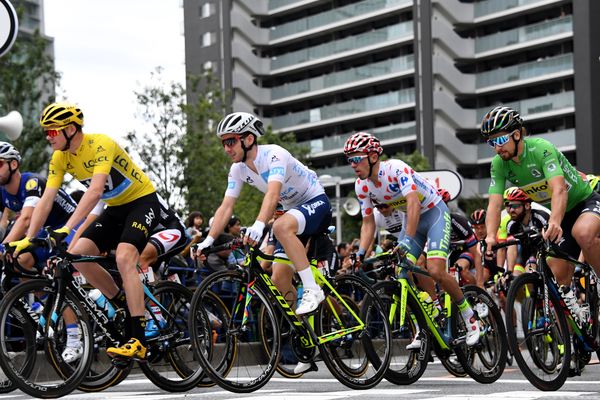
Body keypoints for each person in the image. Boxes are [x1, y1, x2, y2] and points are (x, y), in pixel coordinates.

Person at [10, 102, 161, 361]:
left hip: (141, 202)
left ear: (70, 129)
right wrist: (28, 238)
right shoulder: (60, 157)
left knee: (125, 257)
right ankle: (122, 303)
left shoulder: (101, 144)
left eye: (52, 131)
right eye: (46, 132)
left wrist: (68, 227)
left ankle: (138, 338)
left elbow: (95, 191)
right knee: (77, 254)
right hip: (115, 209)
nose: (48, 137)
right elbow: (47, 199)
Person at [344, 131, 481, 346]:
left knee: (435, 270)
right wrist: (360, 253)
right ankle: (424, 322)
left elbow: (413, 203)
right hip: (414, 220)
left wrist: (406, 238)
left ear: (372, 156)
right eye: (349, 160)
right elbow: (368, 223)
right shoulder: (361, 186)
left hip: (434, 212)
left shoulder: (396, 168)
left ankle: (469, 316)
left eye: (356, 158)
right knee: (401, 272)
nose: (352, 164)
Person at [192, 112, 331, 316]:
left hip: (315, 202)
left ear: (249, 139)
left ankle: (312, 289)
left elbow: (273, 194)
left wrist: (258, 225)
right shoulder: (237, 170)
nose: (226, 149)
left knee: (281, 226)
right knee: (279, 279)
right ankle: (303, 334)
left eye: (230, 142)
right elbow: (226, 207)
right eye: (223, 144)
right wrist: (208, 240)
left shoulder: (274, 154)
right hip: (292, 212)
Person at [481, 106, 600, 323]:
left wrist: (554, 221)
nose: (496, 148)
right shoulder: (499, 165)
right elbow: (494, 204)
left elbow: (559, 189)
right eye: (491, 143)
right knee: (557, 274)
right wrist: (489, 235)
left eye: (499, 140)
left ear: (516, 135)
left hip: (584, 202)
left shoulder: (541, 149)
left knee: (582, 233)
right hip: (561, 213)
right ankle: (579, 320)